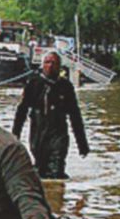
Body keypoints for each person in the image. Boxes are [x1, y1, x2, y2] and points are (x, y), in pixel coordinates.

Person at [12, 51, 89, 179]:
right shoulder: (34, 84)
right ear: (42, 65)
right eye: (47, 62)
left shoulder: (66, 86)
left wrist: (82, 144)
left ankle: (58, 195)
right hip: (38, 134)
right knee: (40, 173)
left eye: (54, 63)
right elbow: (22, 111)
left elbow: (75, 116)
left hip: (58, 134)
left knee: (56, 172)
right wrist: (15, 136)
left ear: (59, 66)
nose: (50, 66)